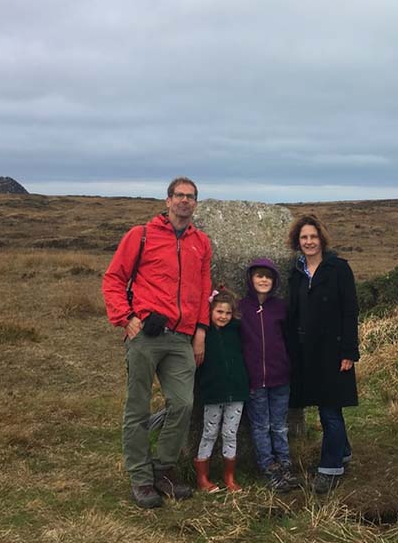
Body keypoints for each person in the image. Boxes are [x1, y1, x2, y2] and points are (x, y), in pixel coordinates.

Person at [102, 177, 212, 509]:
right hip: (145, 335)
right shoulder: (142, 235)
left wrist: (201, 331)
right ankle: (140, 477)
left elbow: (204, 286)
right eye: (179, 196)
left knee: (182, 404)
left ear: (196, 203)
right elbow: (113, 278)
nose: (184, 201)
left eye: (190, 197)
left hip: (181, 338)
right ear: (167, 201)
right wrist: (125, 317)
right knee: (136, 409)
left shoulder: (201, 243)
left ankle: (164, 469)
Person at [285, 215, 359, 494]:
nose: (308, 242)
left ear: (321, 239)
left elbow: (350, 312)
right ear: (298, 241)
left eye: (313, 237)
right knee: (324, 405)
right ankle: (343, 452)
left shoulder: (338, 269)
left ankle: (329, 469)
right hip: (306, 353)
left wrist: (349, 351)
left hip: (334, 350)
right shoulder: (297, 273)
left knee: (330, 409)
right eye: (304, 237)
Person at [239, 258, 300, 492]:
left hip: (280, 376)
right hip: (254, 379)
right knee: (260, 426)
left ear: (274, 281)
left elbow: (290, 339)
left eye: (268, 276)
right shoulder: (242, 307)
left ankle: (285, 465)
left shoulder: (281, 307)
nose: (263, 280)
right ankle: (269, 467)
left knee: (279, 425)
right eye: (259, 275)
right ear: (250, 279)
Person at [194, 289, 249, 493]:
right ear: (210, 311)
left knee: (230, 433)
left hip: (236, 391)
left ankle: (229, 476)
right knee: (209, 433)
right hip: (213, 392)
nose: (223, 316)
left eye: (227, 313)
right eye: (219, 311)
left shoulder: (236, 330)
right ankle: (202, 477)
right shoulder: (203, 334)